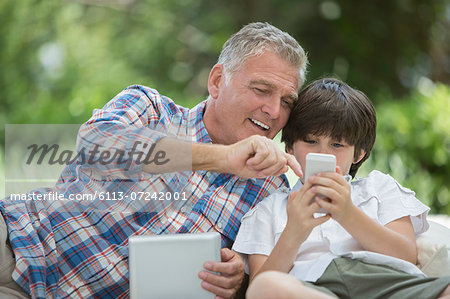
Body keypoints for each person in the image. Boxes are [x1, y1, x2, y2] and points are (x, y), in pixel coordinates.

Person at [0, 22, 308, 298]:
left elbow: (261, 280)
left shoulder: (271, 191)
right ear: (216, 81)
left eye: (286, 101)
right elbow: (94, 146)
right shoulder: (150, 108)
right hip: (19, 243)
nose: (273, 110)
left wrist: (236, 282)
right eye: (261, 89)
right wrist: (222, 158)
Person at [232, 78, 450, 299]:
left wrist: (347, 213)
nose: (323, 154)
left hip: (388, 283)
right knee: (265, 287)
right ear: (290, 147)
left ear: (359, 153)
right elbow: (257, 290)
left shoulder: (379, 188)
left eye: (337, 145)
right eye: (310, 141)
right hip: (312, 287)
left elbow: (406, 255)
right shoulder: (268, 209)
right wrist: (294, 231)